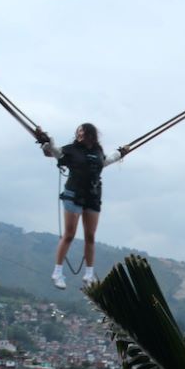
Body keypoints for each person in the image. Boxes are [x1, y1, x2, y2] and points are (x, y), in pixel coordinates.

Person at [37, 123, 127, 289]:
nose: (79, 136)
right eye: (78, 133)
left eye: (82, 133)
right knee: (69, 234)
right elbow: (54, 152)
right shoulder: (71, 150)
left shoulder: (98, 151)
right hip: (73, 194)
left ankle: (89, 274)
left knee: (90, 236)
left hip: (92, 196)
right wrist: (46, 141)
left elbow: (105, 162)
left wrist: (120, 153)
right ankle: (57, 272)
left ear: (91, 135)